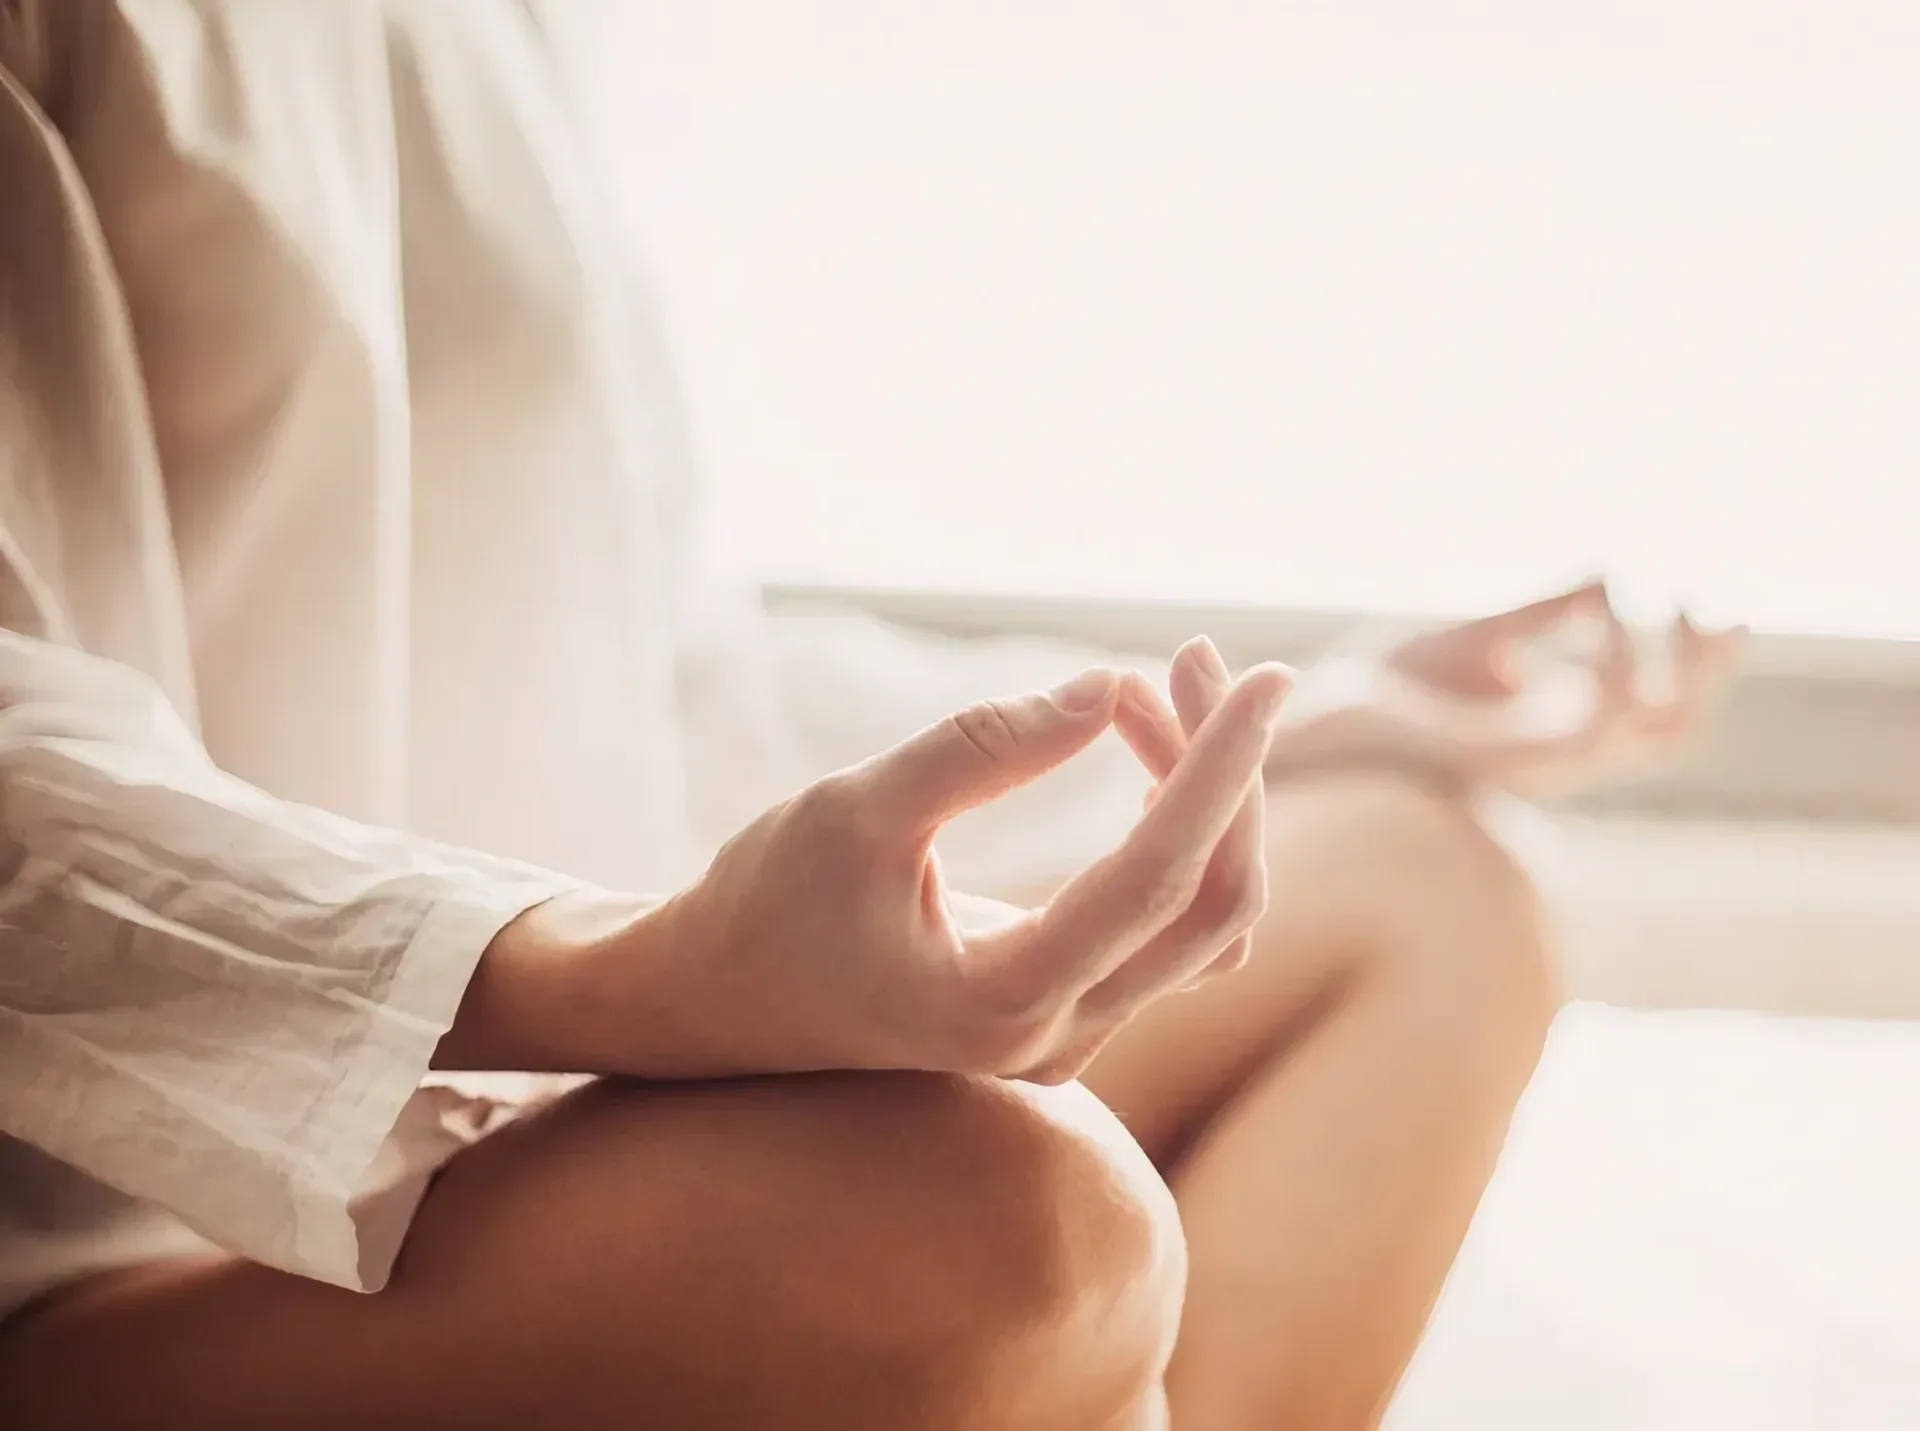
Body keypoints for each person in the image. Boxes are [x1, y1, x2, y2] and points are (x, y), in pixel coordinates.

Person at [0, 4, 1742, 1428]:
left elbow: (647, 664)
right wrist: (612, 966)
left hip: (518, 1109)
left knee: (1429, 891)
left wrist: (1293, 727)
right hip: (107, 1251)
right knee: (1012, 1223)